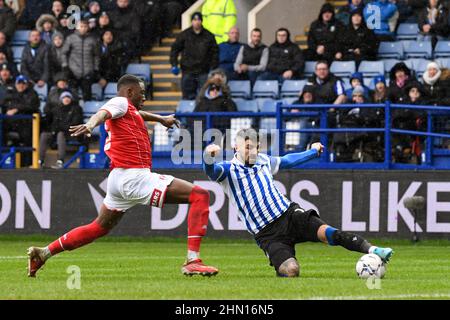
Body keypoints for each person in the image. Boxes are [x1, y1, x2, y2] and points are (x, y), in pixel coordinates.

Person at [27, 74, 219, 278]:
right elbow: (102, 113)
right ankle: (192, 261)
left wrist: (161, 119)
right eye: (142, 93)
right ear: (130, 92)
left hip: (118, 178)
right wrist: (91, 124)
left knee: (98, 227)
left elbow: (138, 113)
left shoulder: (128, 110)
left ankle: (44, 253)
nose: (144, 97)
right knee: (200, 195)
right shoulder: (119, 102)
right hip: (134, 176)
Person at [203, 128, 393, 277]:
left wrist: (311, 152)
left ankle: (374, 250)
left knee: (329, 233)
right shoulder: (227, 171)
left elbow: (287, 160)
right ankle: (282, 262)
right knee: (291, 270)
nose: (253, 151)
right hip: (268, 234)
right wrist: (208, 156)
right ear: (236, 147)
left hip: (289, 215)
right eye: (248, 147)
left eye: (256, 147)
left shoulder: (263, 160)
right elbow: (210, 171)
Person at [170, 12, 219, 100]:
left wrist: (212, 67)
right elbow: (174, 50)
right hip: (188, 71)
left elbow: (215, 53)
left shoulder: (209, 36)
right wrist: (174, 64)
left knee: (204, 98)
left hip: (203, 71)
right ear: (191, 21)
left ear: (202, 21)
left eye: (199, 20)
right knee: (187, 97)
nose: (197, 22)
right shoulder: (184, 35)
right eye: (194, 20)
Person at [39, 91, 83, 169]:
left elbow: (75, 123)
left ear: (71, 99)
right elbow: (54, 123)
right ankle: (40, 160)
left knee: (60, 134)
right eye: (64, 97)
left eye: (68, 97)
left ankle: (60, 160)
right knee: (44, 135)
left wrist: (60, 128)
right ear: (61, 99)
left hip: (72, 133)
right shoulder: (57, 109)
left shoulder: (76, 109)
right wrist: (54, 131)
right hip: (58, 131)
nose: (66, 99)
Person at [3, 75, 40, 167]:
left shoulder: (32, 94)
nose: (21, 86)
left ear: (27, 85)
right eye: (19, 83)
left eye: (23, 83)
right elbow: (5, 104)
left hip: (27, 124)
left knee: (27, 141)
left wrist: (17, 109)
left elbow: (32, 106)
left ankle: (28, 164)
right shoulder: (12, 94)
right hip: (13, 124)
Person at [62, 19, 100, 101]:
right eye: (81, 26)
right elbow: (64, 53)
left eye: (85, 26)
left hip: (87, 73)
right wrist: (65, 67)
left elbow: (96, 55)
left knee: (87, 97)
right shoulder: (70, 38)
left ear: (88, 27)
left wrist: (95, 69)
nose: (83, 28)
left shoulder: (93, 40)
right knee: (73, 97)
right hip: (73, 72)